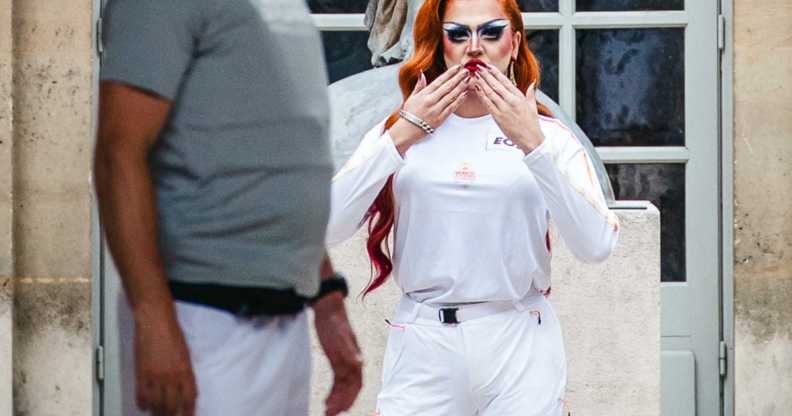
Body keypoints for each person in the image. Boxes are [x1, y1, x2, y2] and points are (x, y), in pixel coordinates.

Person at [326, 0, 620, 414]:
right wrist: (401, 137)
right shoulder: (400, 129)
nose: (475, 47)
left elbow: (596, 245)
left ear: (514, 43)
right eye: (459, 34)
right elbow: (326, 227)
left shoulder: (549, 136)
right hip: (424, 337)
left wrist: (532, 146)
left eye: (491, 32)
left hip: (519, 335)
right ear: (439, 44)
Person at [93, 0, 362, 415]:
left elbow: (281, 163)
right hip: (200, 321)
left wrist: (327, 298)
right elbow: (118, 153)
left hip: (283, 321)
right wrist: (155, 320)